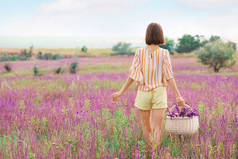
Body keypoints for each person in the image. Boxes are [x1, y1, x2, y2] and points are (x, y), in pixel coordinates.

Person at [111, 22, 185, 156]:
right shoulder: (164, 53)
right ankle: (155, 154)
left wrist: (121, 92)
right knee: (157, 128)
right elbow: (169, 76)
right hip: (159, 92)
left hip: (143, 92)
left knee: (146, 128)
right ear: (160, 35)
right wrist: (178, 95)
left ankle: (148, 154)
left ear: (147, 35)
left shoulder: (139, 52)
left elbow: (132, 75)